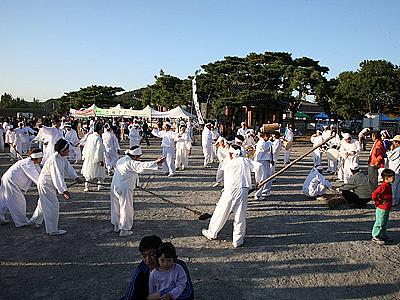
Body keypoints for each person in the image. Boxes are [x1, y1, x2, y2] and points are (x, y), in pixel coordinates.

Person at [202, 144, 262, 248]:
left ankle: (212, 233)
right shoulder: (245, 161)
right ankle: (237, 241)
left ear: (231, 153)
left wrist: (218, 181)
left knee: (221, 212)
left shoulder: (227, 161)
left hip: (229, 189)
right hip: (243, 189)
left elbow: (219, 173)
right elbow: (259, 166)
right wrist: (259, 181)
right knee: (240, 215)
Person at [28, 139, 83, 235]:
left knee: (43, 204)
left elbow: (68, 168)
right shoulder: (54, 160)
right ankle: (52, 230)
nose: (69, 151)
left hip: (48, 185)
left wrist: (76, 177)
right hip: (46, 185)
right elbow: (56, 176)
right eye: (67, 149)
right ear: (62, 150)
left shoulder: (61, 157)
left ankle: (34, 221)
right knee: (52, 206)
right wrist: (64, 191)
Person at [111, 146, 163, 237]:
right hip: (125, 188)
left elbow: (132, 173)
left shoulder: (121, 160)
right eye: (139, 157)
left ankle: (116, 225)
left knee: (116, 207)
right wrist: (156, 163)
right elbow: (141, 166)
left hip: (115, 186)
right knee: (126, 208)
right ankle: (125, 229)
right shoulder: (130, 163)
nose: (139, 159)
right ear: (135, 156)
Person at [122, 235, 194, 300]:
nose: (148, 260)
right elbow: (130, 296)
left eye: (152, 254)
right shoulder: (141, 271)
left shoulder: (178, 266)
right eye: (144, 256)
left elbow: (188, 293)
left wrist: (169, 296)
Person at [0, 149, 43, 226]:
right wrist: (46, 187)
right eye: (41, 158)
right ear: (36, 158)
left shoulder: (34, 164)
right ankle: (21, 222)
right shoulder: (28, 164)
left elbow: (41, 175)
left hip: (8, 180)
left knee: (4, 201)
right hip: (11, 182)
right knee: (19, 202)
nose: (42, 159)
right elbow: (37, 178)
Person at [371, 169, 396, 245]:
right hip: (382, 208)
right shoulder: (383, 186)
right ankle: (375, 236)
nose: (394, 179)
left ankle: (382, 234)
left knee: (384, 222)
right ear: (387, 178)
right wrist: (379, 202)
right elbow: (374, 194)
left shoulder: (388, 185)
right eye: (392, 177)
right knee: (379, 222)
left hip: (386, 207)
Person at [81, 122, 106, 191]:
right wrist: (101, 160)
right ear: (99, 130)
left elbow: (86, 147)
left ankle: (87, 186)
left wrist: (84, 155)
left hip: (89, 157)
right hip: (96, 158)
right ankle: (100, 186)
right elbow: (99, 150)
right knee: (100, 172)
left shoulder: (90, 136)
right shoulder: (98, 138)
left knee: (89, 172)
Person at [253, 131, 273, 200]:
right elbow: (265, 148)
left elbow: (270, 150)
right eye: (267, 136)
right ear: (264, 136)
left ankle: (265, 191)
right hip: (260, 162)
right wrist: (270, 141)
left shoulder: (266, 142)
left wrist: (271, 159)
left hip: (266, 161)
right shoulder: (261, 142)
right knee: (261, 178)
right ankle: (257, 194)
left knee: (268, 176)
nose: (268, 138)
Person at [386, 135, 400, 205]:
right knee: (398, 186)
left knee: (393, 186)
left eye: (394, 142)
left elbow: (390, 157)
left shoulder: (398, 150)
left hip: (395, 170)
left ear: (397, 142)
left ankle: (393, 201)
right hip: (398, 170)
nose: (393, 143)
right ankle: (397, 200)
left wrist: (388, 151)